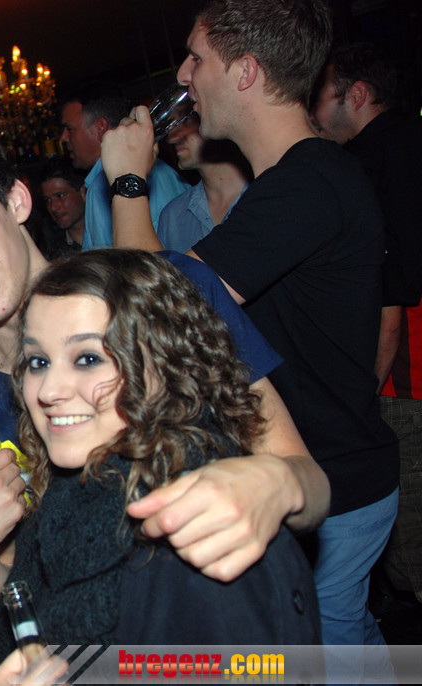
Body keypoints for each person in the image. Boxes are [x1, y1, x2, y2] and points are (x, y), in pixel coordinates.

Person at [0, 125, 328, 621]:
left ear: (16, 201)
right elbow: (20, 607)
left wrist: (276, 482)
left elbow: (311, 484)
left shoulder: (164, 293)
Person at [105, 0, 398, 672]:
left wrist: (128, 180)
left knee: (324, 660)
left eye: (196, 58)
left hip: (334, 482)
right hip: (333, 470)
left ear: (246, 72)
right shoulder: (296, 182)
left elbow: (159, 310)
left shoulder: (308, 183)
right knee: (352, 643)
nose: (184, 74)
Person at [0, 249, 320, 664]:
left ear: (165, 365)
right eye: (38, 361)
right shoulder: (70, 495)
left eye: (88, 359)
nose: (48, 390)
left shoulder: (202, 523)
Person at [313, 41, 422, 605]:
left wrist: (365, 394)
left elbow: (392, 295)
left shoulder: (370, 161)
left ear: (356, 95)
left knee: (411, 547)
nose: (313, 110)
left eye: (322, 95)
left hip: (407, 377)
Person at [58, 82, 189, 250]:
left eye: (69, 129)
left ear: (100, 128)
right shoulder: (98, 184)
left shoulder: (116, 183)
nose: (63, 138)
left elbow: (148, 260)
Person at [156, 112, 250, 252]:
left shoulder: (269, 195)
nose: (171, 138)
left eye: (186, 120)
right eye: (171, 125)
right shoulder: (173, 216)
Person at [36, 156, 87, 257]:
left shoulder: (112, 231)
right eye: (47, 200)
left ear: (83, 192)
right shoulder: (51, 252)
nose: (53, 207)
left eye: (60, 196)